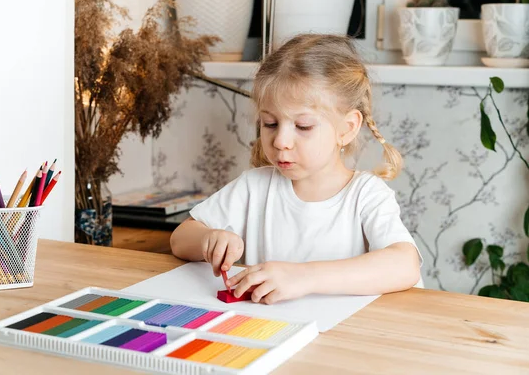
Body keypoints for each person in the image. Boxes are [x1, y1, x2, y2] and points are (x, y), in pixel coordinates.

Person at [170, 34, 422, 305]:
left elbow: (405, 265)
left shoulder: (365, 195)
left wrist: (305, 277)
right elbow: (180, 239)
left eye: (302, 127)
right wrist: (209, 238)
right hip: (268, 334)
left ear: (347, 128)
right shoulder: (254, 187)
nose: (280, 141)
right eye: (269, 123)